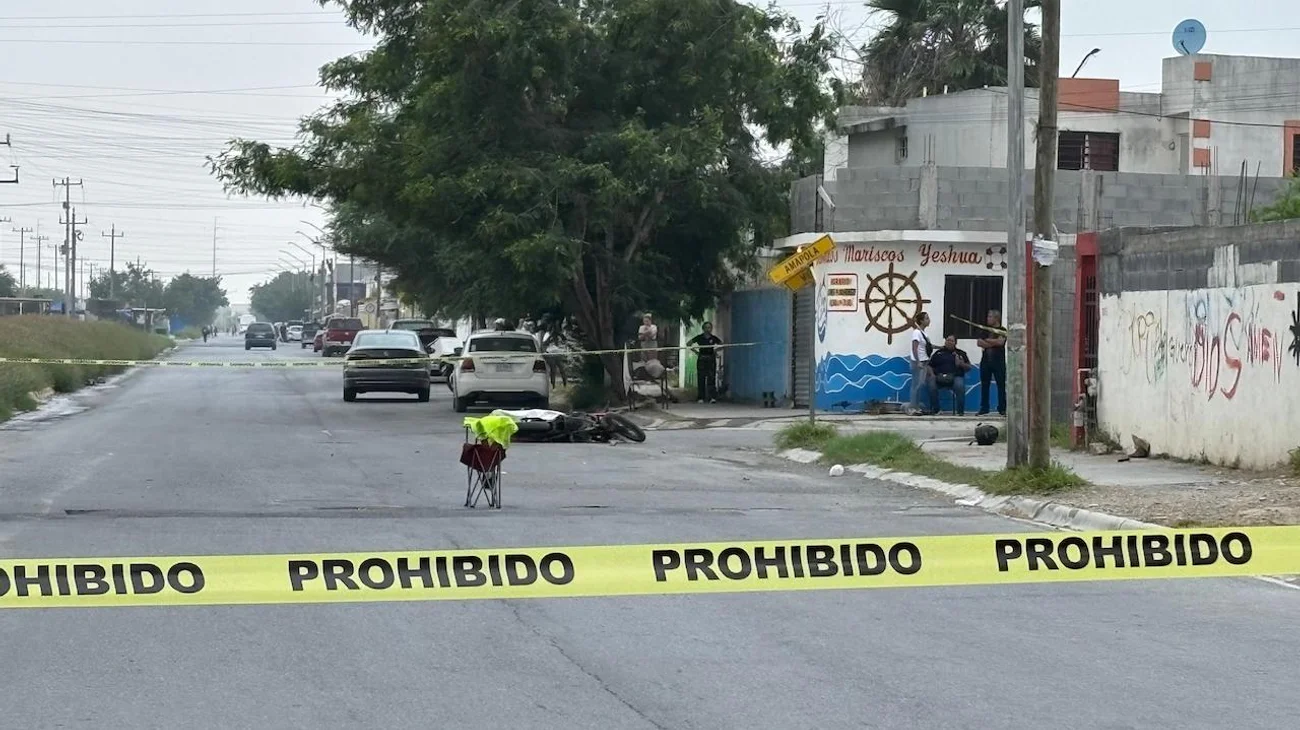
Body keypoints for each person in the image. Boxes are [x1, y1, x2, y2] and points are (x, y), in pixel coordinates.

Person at [928, 334, 973, 415]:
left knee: (960, 386)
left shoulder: (961, 353)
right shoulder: (938, 353)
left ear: (955, 343)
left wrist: (961, 364)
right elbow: (929, 365)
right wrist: (932, 374)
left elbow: (969, 367)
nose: (949, 342)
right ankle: (936, 409)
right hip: (939, 376)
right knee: (931, 385)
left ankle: (960, 412)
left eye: (951, 341)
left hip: (955, 376)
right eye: (947, 340)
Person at [976, 309, 1007, 416]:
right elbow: (979, 343)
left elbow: (1001, 342)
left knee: (1001, 385)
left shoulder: (1002, 330)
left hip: (998, 362)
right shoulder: (985, 330)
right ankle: (984, 408)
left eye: (990, 317)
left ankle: (1002, 408)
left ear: (996, 318)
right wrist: (994, 342)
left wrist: (987, 341)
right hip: (985, 361)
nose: (987, 319)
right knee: (984, 385)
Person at [687, 322, 723, 404]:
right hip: (702, 359)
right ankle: (701, 397)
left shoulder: (713, 338)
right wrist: (696, 352)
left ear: (711, 329)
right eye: (706, 327)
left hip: (711, 359)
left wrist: (715, 351)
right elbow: (688, 343)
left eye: (709, 327)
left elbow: (722, 345)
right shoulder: (699, 337)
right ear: (703, 329)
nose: (708, 329)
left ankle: (712, 397)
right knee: (701, 378)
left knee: (711, 378)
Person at [908, 312, 933, 415]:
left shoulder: (924, 333)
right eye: (927, 318)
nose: (929, 320)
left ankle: (916, 407)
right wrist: (918, 361)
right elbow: (915, 348)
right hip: (918, 362)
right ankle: (912, 408)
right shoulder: (916, 333)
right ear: (921, 321)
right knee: (916, 385)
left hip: (924, 361)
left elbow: (927, 346)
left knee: (920, 384)